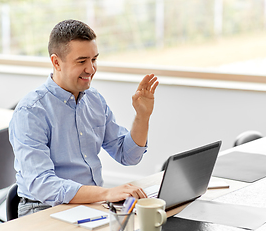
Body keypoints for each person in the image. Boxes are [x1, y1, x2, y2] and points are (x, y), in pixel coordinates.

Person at [9, 19, 159, 217]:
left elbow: (127, 155)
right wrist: (107, 193)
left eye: (94, 59)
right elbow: (42, 185)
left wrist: (142, 116)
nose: (91, 69)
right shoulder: (31, 112)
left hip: (91, 203)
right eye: (82, 61)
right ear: (56, 62)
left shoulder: (94, 100)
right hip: (44, 208)